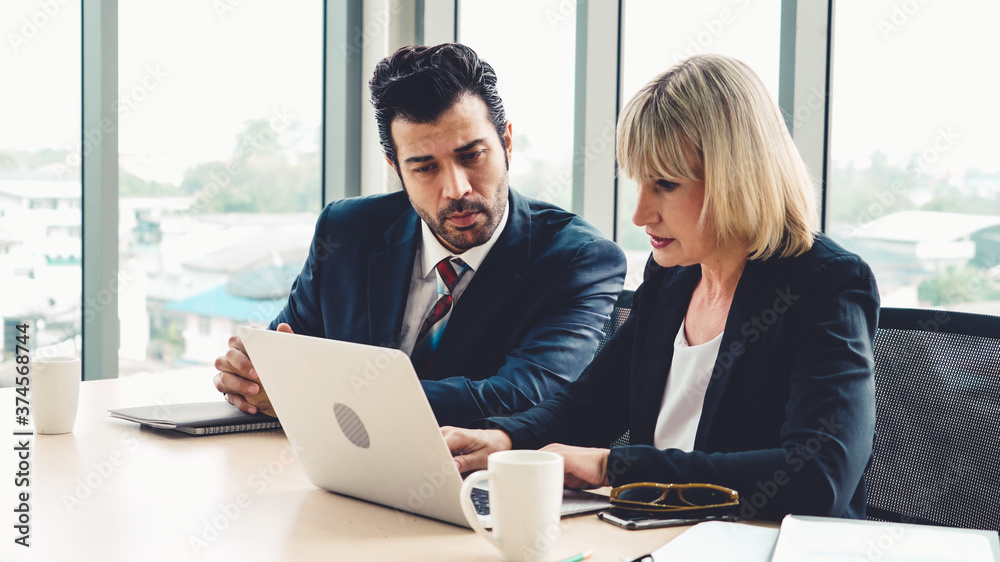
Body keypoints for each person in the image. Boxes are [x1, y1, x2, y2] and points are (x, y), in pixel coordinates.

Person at [443, 54, 879, 521]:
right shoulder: (673, 275)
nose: (640, 214)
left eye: (666, 184)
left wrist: (615, 467)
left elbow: (818, 478)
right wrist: (506, 440)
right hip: (650, 535)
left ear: (737, 179)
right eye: (639, 182)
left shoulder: (825, 285)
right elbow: (592, 402)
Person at [213, 43, 627, 428]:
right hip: (339, 478)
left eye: (472, 155)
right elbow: (286, 355)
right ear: (396, 168)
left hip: (480, 490)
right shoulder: (347, 231)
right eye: (425, 167)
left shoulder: (579, 259)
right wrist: (251, 374)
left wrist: (315, 396)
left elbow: (520, 398)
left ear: (507, 143)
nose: (456, 189)